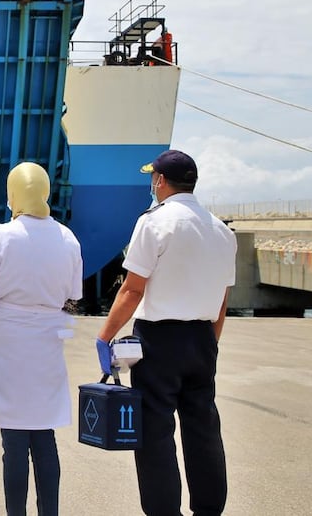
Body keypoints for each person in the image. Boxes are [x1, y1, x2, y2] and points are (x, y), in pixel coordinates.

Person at [96, 149, 236, 516]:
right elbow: (222, 300)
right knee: (202, 428)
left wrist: (104, 335)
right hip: (204, 338)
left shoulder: (154, 223)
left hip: (158, 340)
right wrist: (210, 343)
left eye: (152, 178)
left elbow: (132, 289)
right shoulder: (221, 230)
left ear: (159, 180)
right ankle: (209, 509)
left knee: (156, 433)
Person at [0, 162, 84, 516]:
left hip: (7, 340)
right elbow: (73, 300)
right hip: (47, 344)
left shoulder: (1, 235)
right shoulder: (68, 238)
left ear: (13, 193)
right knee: (43, 435)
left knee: (14, 441)